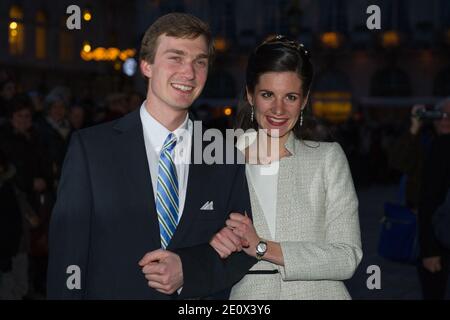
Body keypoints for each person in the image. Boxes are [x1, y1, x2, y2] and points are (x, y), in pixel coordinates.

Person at [47, 13, 256, 299]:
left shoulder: (224, 154)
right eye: (176, 58)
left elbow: (242, 251)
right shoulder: (91, 150)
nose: (189, 73)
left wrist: (188, 270)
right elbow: (67, 259)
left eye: (200, 62)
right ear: (146, 65)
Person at [209, 35, 363, 299]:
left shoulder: (328, 159)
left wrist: (262, 248)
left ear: (304, 101)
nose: (278, 109)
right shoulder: (219, 161)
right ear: (250, 95)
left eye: (290, 97)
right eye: (267, 94)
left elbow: (347, 256)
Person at [418, 97, 450, 299]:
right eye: (442, 115)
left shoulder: (442, 145)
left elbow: (429, 199)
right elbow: (428, 200)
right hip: (439, 239)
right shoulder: (432, 143)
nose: (445, 120)